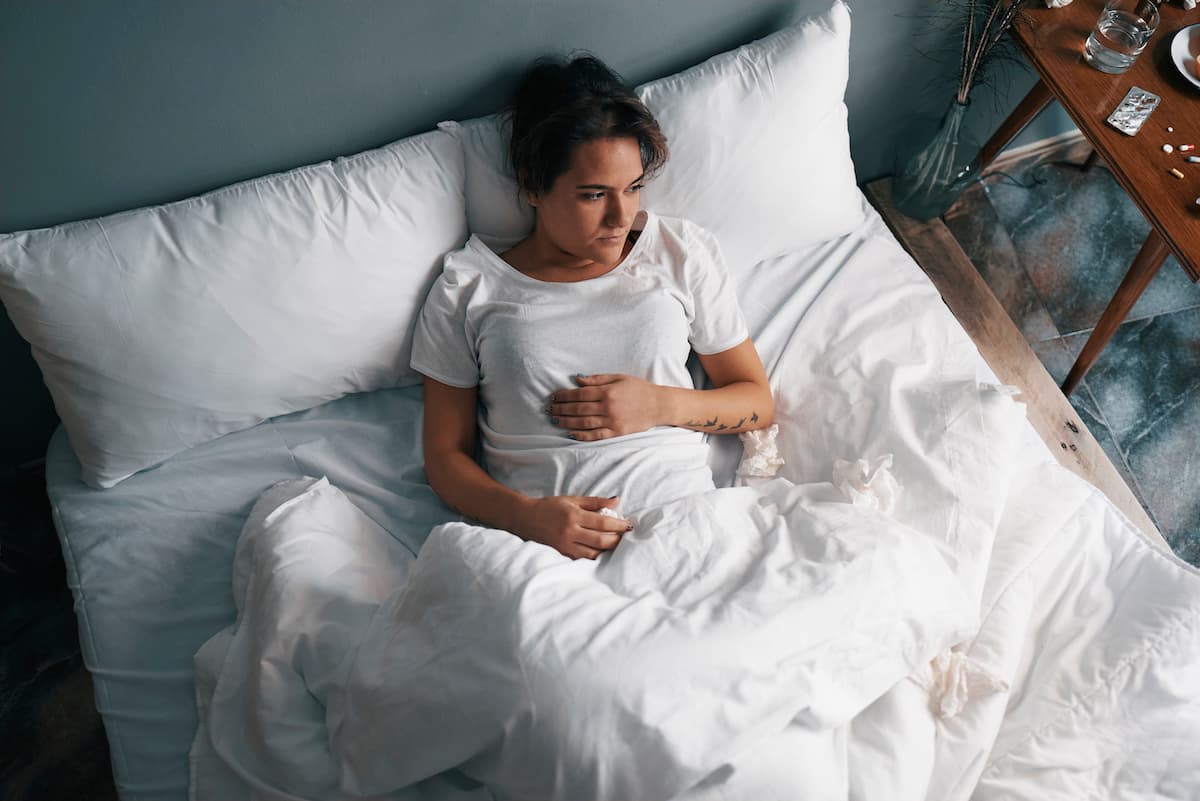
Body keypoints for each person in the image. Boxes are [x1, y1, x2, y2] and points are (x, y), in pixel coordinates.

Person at [411, 54, 773, 560]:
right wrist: (523, 515)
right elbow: (445, 457)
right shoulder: (468, 288)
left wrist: (660, 404)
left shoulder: (679, 252)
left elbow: (756, 402)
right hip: (547, 548)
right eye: (593, 194)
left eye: (632, 188)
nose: (620, 215)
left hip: (685, 522)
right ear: (533, 186)